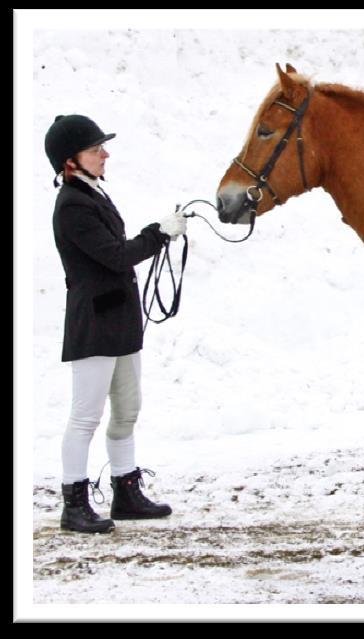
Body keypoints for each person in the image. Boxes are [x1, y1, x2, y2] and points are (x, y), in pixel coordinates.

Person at [45, 114, 187, 533]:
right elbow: (115, 256)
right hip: (93, 325)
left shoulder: (93, 195)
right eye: (95, 149)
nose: (105, 154)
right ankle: (74, 503)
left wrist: (157, 235)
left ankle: (126, 491)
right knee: (85, 416)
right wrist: (158, 233)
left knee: (127, 410)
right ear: (71, 161)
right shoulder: (72, 205)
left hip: (121, 321)